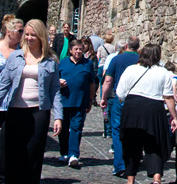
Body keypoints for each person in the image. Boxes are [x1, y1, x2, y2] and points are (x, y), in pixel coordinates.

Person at [0, 19, 62, 184]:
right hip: (15, 111)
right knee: (12, 156)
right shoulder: (15, 57)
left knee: (32, 159)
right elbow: (3, 85)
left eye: (33, 35)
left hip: (38, 113)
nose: (29, 38)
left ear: (41, 37)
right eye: (27, 34)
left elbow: (55, 90)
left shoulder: (51, 60)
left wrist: (58, 116)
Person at [115, 43, 177, 184]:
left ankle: (130, 182)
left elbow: (120, 93)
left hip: (133, 109)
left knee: (131, 146)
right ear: (158, 56)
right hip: (154, 111)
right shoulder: (163, 72)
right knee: (154, 146)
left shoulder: (131, 69)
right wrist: (174, 117)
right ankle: (156, 180)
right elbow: (168, 97)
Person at [99, 36, 140, 176]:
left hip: (120, 99)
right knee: (134, 131)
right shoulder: (141, 60)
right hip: (138, 100)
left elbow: (108, 81)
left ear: (126, 46)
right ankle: (133, 162)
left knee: (117, 130)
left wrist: (103, 97)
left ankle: (120, 164)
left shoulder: (117, 59)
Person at [0, 15, 23, 184]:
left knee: (8, 142)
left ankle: (2, 178)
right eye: (20, 31)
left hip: (13, 102)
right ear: (9, 32)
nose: (22, 34)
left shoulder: (22, 52)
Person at [58, 39, 97, 168]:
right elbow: (54, 81)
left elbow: (91, 83)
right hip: (64, 100)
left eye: (80, 49)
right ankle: (64, 152)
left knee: (77, 127)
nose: (78, 51)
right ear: (71, 50)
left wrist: (91, 100)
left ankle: (73, 154)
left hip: (80, 101)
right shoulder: (62, 63)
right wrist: (59, 83)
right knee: (63, 128)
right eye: (76, 49)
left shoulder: (88, 64)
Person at [95, 32, 116, 138]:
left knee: (102, 86)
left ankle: (102, 98)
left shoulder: (101, 47)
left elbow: (98, 57)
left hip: (102, 68)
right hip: (110, 69)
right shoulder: (114, 48)